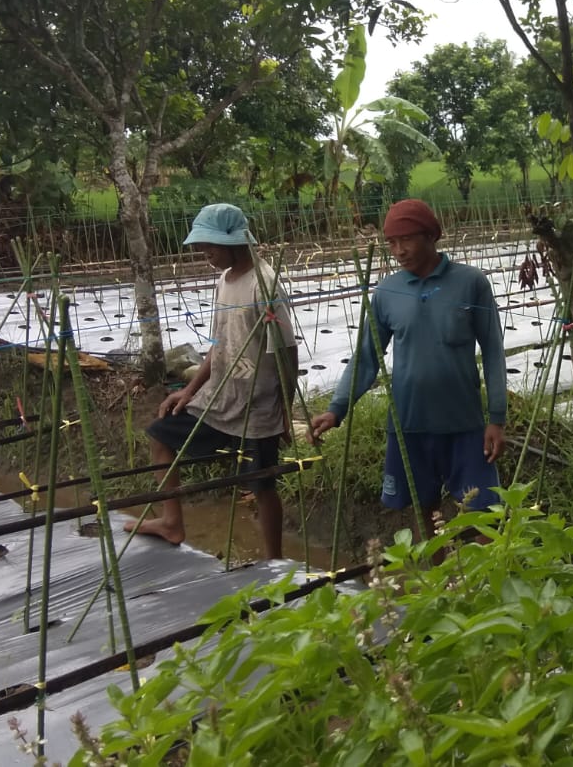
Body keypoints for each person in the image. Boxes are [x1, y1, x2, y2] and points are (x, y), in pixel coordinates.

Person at [309, 199, 506, 538]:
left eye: (407, 240)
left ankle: (481, 583)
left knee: (482, 512)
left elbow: (493, 351)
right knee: (423, 507)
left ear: (431, 237)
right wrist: (337, 408)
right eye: (391, 243)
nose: (398, 250)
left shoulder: (470, 283)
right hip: (410, 423)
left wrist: (496, 417)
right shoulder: (387, 292)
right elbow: (367, 356)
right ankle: (439, 579)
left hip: (465, 423)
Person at [126, 203, 297, 558]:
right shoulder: (224, 280)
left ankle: (275, 560)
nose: (206, 254)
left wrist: (285, 409)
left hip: (256, 404)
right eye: (202, 247)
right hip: (220, 396)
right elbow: (218, 346)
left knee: (262, 484)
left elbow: (285, 354)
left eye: (210, 247)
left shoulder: (264, 285)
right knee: (161, 433)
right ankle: (171, 521)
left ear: (234, 242)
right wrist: (189, 391)